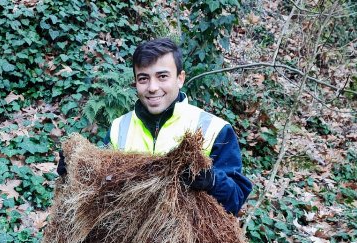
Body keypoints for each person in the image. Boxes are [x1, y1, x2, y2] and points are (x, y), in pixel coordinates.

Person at [58, 37, 252, 216]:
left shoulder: (214, 128)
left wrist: (213, 181)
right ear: (135, 82)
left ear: (180, 78)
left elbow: (235, 200)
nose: (152, 87)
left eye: (162, 76)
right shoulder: (119, 128)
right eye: (143, 78)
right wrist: (75, 169)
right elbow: (98, 190)